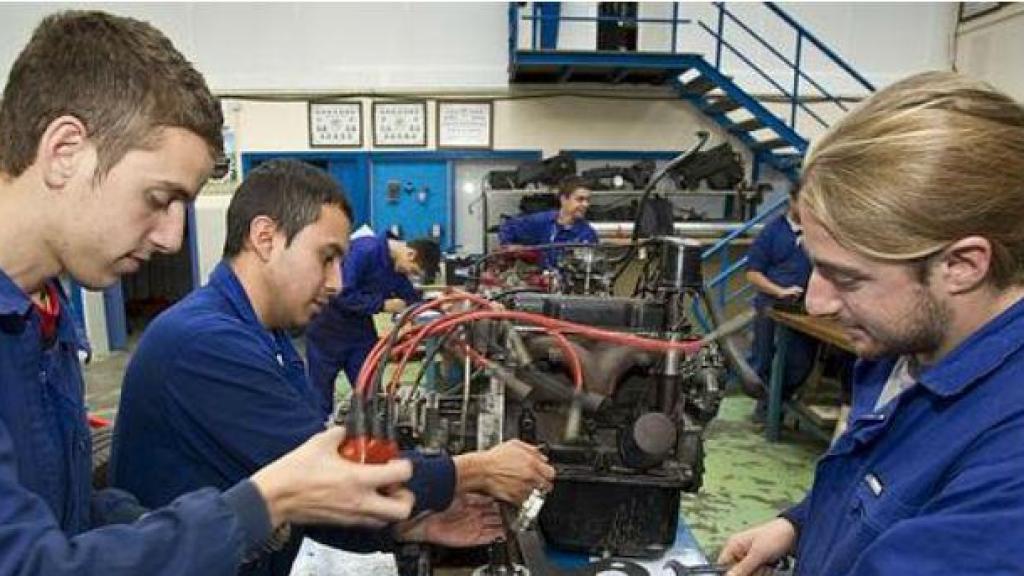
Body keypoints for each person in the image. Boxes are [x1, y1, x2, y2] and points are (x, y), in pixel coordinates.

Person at [0, 11, 416, 575]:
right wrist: (264, 504)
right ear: (65, 150)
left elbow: (63, 515)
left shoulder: (43, 322)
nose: (174, 237)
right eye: (158, 197)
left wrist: (150, 522)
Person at [110, 159, 556, 576]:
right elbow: (339, 469)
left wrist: (404, 527)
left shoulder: (268, 336)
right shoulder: (205, 342)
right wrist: (474, 470)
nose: (338, 282)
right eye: (326, 257)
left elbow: (306, 484)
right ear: (265, 238)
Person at [718, 71, 1024, 575]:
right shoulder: (904, 349)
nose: (816, 303)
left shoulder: (1011, 462)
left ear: (962, 265)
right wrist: (798, 525)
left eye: (848, 278)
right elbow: (881, 478)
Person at [304, 227, 440, 418]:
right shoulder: (365, 251)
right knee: (320, 398)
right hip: (327, 330)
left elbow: (411, 299)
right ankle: (317, 437)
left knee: (371, 396)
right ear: (411, 254)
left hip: (359, 333)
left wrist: (441, 309)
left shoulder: (396, 268)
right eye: (413, 271)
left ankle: (371, 437)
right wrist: (382, 304)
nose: (410, 275)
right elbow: (341, 293)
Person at [744, 185, 818, 421]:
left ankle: (780, 400)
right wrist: (780, 291)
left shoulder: (818, 234)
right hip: (772, 305)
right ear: (791, 201)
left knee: (800, 361)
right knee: (763, 358)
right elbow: (753, 273)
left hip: (806, 310)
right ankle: (766, 408)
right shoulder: (772, 232)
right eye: (804, 202)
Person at [498, 176, 598, 268]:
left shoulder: (588, 234)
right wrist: (513, 248)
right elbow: (507, 227)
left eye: (588, 200)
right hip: (540, 283)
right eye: (580, 199)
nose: (585, 204)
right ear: (563, 199)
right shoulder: (540, 221)